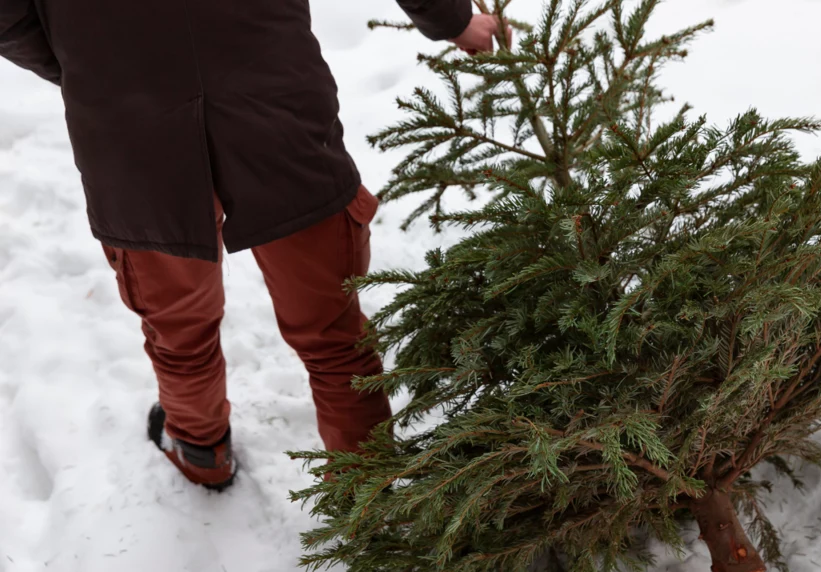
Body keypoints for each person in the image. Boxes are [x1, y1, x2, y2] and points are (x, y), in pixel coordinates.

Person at [0, 0, 508, 489]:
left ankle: (201, 450)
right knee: (333, 333)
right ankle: (363, 496)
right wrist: (454, 19)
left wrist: (92, 60)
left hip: (132, 126)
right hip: (272, 98)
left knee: (180, 331)